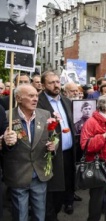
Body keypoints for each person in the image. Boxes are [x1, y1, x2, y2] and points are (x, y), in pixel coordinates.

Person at [3, 84, 55, 221]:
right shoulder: (7, 116)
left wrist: (53, 145)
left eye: (36, 95)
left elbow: (54, 136)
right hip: (18, 174)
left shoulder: (45, 115)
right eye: (31, 96)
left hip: (40, 173)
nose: (35, 99)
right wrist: (5, 141)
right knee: (20, 215)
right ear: (18, 98)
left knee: (40, 214)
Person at [37, 71, 77, 219]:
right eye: (51, 83)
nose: (56, 85)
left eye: (57, 82)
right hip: (50, 155)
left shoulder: (66, 101)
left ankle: (60, 208)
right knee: (52, 193)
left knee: (66, 187)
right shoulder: (39, 102)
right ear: (42, 85)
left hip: (68, 153)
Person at [0, 0, 36, 68]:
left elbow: (30, 60)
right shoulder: (1, 27)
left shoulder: (31, 33)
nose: (15, 11)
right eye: (11, 6)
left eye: (19, 7)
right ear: (7, 7)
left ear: (26, 11)